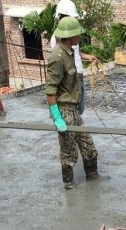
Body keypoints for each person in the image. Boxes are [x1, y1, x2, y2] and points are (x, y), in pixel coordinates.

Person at [45, 16, 109, 190]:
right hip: (64, 110)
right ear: (71, 36)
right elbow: (50, 91)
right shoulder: (57, 57)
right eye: (77, 35)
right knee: (68, 149)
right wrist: (57, 118)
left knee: (87, 143)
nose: (79, 37)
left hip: (73, 108)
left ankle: (92, 174)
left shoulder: (69, 51)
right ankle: (68, 183)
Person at [49, 0, 99, 115]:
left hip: (77, 78)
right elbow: (51, 88)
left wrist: (87, 57)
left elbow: (75, 53)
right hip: (69, 81)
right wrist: (57, 118)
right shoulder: (58, 44)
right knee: (72, 111)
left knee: (79, 110)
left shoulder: (71, 40)